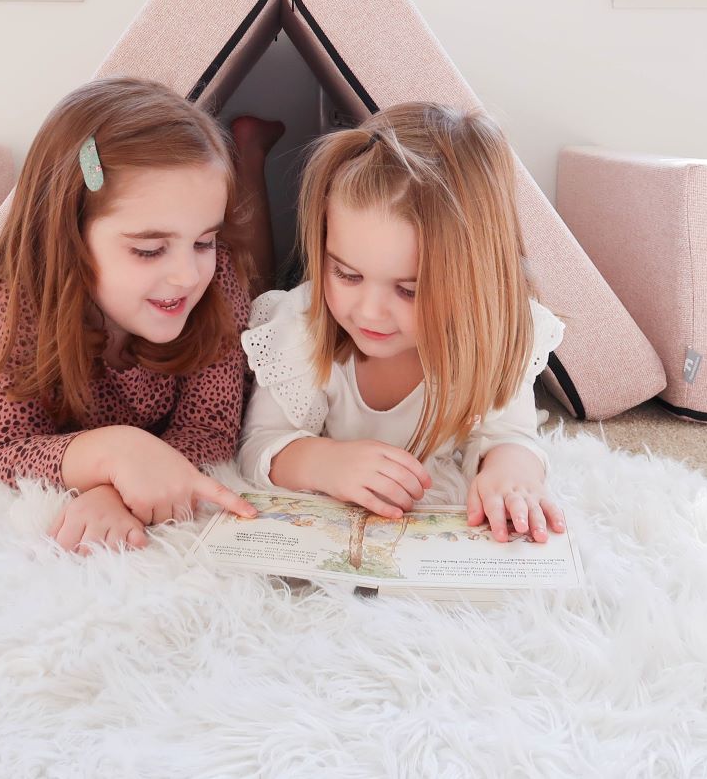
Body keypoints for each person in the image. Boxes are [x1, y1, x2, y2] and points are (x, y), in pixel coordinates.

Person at [0, 77, 274, 552]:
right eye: (149, 249)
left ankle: (252, 156)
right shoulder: (15, 303)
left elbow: (211, 432)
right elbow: (7, 448)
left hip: (245, 276)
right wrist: (115, 452)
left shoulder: (217, 279)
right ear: (69, 237)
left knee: (259, 271)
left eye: (204, 240)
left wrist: (119, 491)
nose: (187, 274)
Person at [238, 102, 568, 543]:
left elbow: (510, 434)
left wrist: (512, 471)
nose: (370, 312)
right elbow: (260, 447)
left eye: (409, 290)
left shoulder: (495, 333)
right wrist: (324, 462)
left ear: (474, 282)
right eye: (346, 274)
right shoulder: (299, 326)